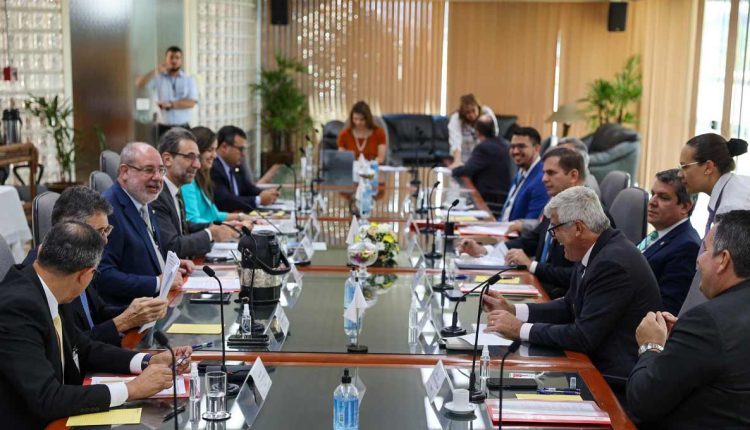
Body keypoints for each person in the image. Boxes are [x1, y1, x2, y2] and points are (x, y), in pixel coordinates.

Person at [0, 221, 192, 428]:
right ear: (85, 275)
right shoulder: (17, 308)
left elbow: (84, 348)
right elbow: (47, 398)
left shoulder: (51, 284)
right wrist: (132, 389)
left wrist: (147, 361)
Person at [484, 186, 661, 392]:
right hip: (589, 362)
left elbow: (583, 337)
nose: (554, 238)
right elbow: (569, 307)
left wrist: (519, 329)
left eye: (556, 229)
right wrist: (515, 311)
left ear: (578, 228)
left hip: (610, 379)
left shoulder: (612, 263)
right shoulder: (596, 248)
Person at [627, 211, 750, 428]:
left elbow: (642, 403)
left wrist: (650, 346)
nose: (698, 258)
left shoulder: (706, 322)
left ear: (723, 260)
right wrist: (684, 341)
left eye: (704, 250)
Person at [22, 186, 168, 346]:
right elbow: (70, 347)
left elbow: (97, 311)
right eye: (99, 232)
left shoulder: (79, 257)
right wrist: (123, 321)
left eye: (107, 230)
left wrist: (138, 311)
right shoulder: (49, 274)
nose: (105, 240)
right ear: (71, 229)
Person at [458, 148, 585, 298]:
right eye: (544, 173)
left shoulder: (585, 215)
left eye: (551, 173)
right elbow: (530, 241)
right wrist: (484, 251)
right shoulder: (557, 205)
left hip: (557, 300)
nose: (543, 178)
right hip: (536, 287)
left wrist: (532, 266)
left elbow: (578, 275)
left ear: (573, 176)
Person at [98, 142, 190, 306]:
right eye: (149, 170)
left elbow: (140, 253)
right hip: (129, 314)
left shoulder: (142, 200)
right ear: (125, 172)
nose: (158, 177)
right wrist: (157, 282)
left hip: (157, 304)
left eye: (161, 170)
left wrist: (168, 266)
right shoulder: (108, 211)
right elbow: (103, 275)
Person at [677, 133, 750, 315]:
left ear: (708, 167)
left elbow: (725, 272)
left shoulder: (732, 207)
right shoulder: (733, 187)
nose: (679, 174)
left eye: (685, 167)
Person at [151, 128, 238, 259]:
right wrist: (210, 234)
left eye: (197, 157)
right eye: (190, 157)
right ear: (167, 159)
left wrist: (219, 227)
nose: (197, 165)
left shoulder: (175, 189)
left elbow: (184, 228)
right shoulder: (157, 195)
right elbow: (172, 247)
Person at [639, 169, 700, 314]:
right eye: (653, 194)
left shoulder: (687, 247)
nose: (652, 202)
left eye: (663, 197)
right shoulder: (659, 233)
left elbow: (666, 309)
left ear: (685, 207)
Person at [182, 126, 257, 224]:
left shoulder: (203, 178)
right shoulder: (188, 182)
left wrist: (241, 217)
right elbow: (193, 220)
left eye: (215, 150)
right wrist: (227, 227)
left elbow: (214, 214)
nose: (215, 155)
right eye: (210, 150)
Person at [211, 125, 280, 212]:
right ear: (224, 147)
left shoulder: (235, 165)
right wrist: (259, 200)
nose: (243, 154)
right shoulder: (213, 168)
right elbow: (225, 201)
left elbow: (248, 188)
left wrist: (264, 193)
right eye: (240, 149)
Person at [451, 114, 512, 210]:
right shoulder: (505, 144)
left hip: (489, 200)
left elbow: (467, 170)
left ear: (477, 132)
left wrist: (454, 169)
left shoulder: (483, 148)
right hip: (505, 198)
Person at [135, 46, 198, 137]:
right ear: (166, 59)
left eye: (177, 58)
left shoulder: (189, 79)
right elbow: (139, 84)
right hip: (162, 128)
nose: (174, 61)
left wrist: (170, 104)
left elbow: (191, 103)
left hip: (183, 127)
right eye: (171, 57)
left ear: (181, 60)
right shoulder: (159, 78)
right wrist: (156, 70)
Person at [498, 126, 549, 222]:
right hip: (501, 229)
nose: (515, 151)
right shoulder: (521, 172)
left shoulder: (542, 179)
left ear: (537, 148)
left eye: (521, 146)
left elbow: (531, 225)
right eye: (512, 147)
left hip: (514, 235)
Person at [447, 94, 498, 166]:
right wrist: (457, 161)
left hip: (483, 157)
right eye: (467, 112)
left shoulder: (486, 113)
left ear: (478, 107)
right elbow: (455, 140)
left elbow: (493, 136)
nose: (471, 115)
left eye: (473, 110)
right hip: (463, 158)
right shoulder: (456, 118)